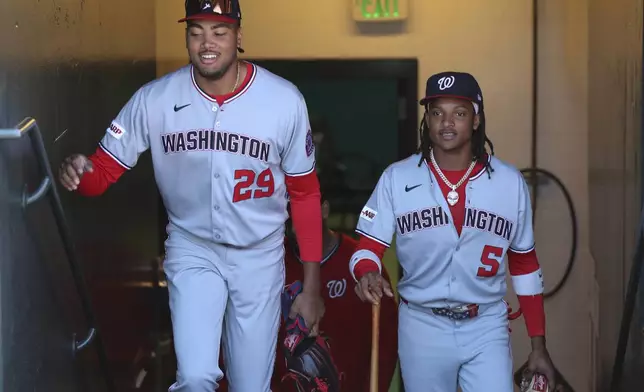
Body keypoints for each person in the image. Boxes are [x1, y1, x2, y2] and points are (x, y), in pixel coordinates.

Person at [57, 1, 325, 391]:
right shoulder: (155, 99)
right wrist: (80, 172)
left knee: (251, 386)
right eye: (196, 32)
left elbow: (304, 193)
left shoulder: (283, 100)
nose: (207, 43)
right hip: (193, 246)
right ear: (186, 37)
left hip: (260, 253)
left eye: (219, 32)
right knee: (196, 376)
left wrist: (312, 285)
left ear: (239, 36)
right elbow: (101, 174)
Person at [348, 71, 561, 392]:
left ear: (476, 120)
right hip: (422, 323)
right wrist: (366, 271)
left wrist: (538, 345)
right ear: (427, 120)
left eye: (459, 113)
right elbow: (367, 246)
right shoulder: (397, 177)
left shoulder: (509, 182)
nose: (447, 123)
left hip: (486, 323)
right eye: (437, 113)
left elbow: (524, 263)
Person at [217, 185, 399, 391]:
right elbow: (235, 333)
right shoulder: (268, 262)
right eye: (288, 212)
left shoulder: (360, 265)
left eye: (302, 210)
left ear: (324, 209)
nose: (295, 222)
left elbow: (386, 344)